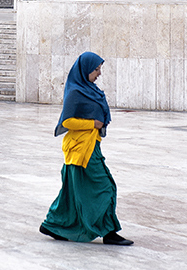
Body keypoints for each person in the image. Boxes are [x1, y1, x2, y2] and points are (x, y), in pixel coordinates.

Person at [39, 51, 133, 245]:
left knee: (72, 191)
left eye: (99, 69)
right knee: (106, 187)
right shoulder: (75, 92)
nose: (99, 73)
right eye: (96, 69)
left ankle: (53, 224)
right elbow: (67, 121)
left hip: (91, 146)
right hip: (81, 149)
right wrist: (92, 124)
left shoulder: (90, 89)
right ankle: (109, 232)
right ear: (85, 70)